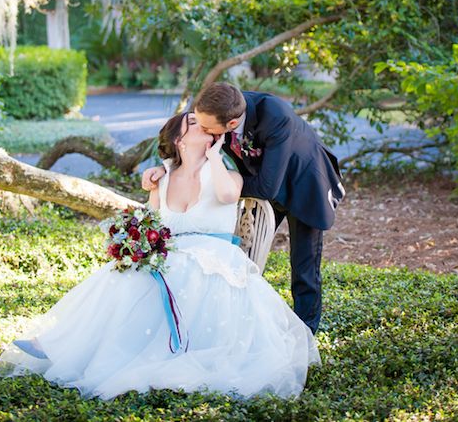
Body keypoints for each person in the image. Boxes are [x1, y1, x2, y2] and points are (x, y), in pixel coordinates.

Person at [0, 111, 320, 401]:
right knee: (121, 272)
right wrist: (138, 243)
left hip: (214, 256)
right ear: (179, 139)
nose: (205, 124)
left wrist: (217, 155)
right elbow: (152, 224)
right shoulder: (161, 179)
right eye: (194, 122)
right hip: (171, 252)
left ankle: (149, 354)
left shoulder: (225, 173)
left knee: (178, 270)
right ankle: (60, 345)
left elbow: (227, 195)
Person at [142, 83, 345, 334]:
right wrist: (167, 172)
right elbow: (186, 152)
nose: (205, 132)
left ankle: (305, 334)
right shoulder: (216, 108)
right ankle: (236, 321)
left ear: (231, 124)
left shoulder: (275, 115)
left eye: (207, 128)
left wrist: (225, 183)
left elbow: (266, 188)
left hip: (305, 182)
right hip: (262, 178)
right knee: (243, 254)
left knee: (303, 266)